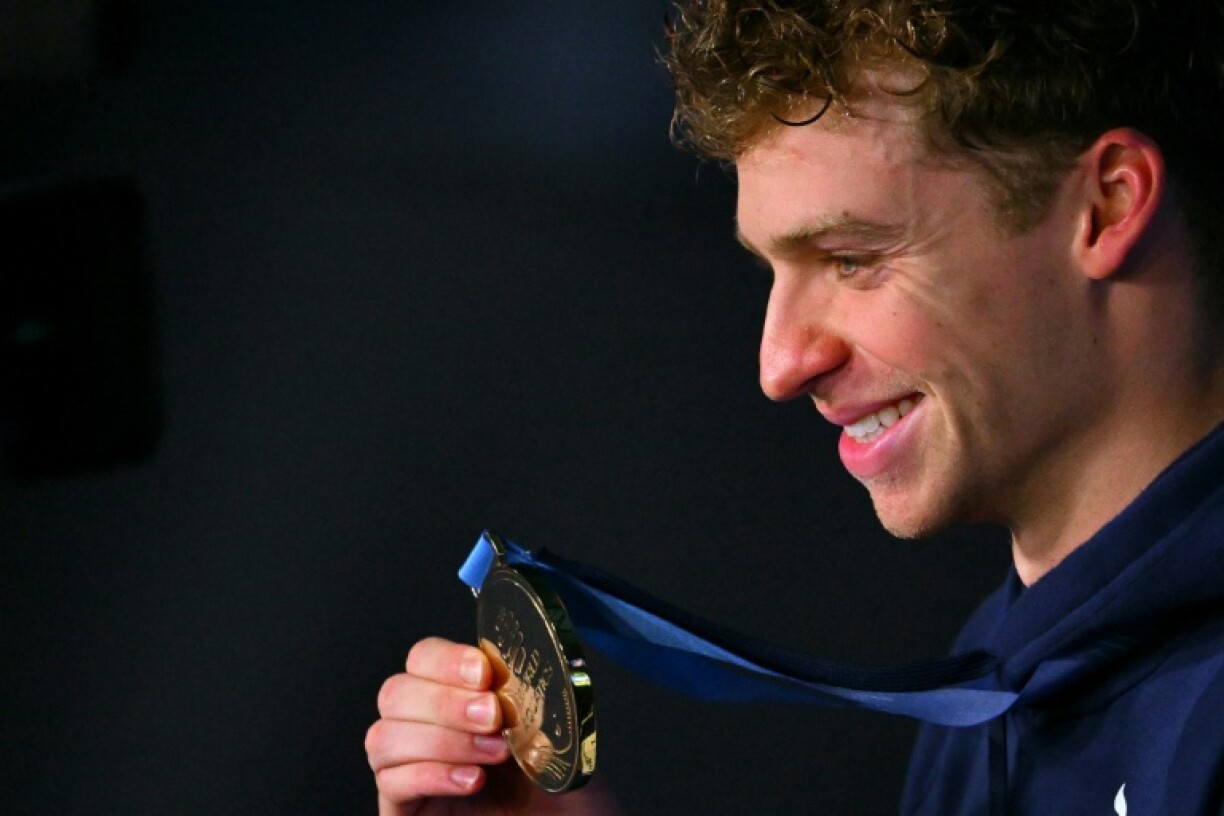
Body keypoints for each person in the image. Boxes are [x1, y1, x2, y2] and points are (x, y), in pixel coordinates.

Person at [366, 1, 1224, 813]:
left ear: (1105, 204)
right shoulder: (1007, 684)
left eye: (853, 258)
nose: (780, 365)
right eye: (773, 270)